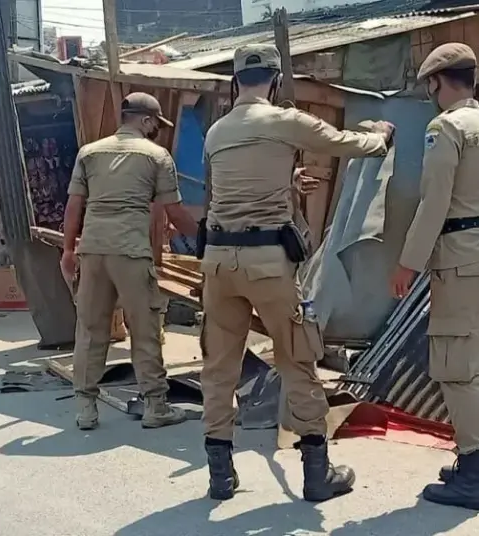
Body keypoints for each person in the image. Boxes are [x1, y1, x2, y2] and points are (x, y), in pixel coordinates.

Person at [200, 44, 394, 502]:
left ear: (236, 79)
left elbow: (231, 186)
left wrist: (286, 181)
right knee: (297, 362)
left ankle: (221, 476)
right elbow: (351, 144)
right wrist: (381, 135)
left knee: (219, 369)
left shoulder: (216, 132)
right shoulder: (285, 121)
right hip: (268, 263)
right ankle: (315, 474)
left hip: (219, 262)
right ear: (271, 79)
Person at [60, 92, 198, 430]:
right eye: (156, 124)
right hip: (131, 253)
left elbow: (74, 206)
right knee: (144, 328)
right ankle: (155, 407)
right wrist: (207, 239)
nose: (156, 130)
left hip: (92, 250)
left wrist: (67, 250)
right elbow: (175, 211)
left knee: (91, 329)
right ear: (146, 121)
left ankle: (86, 410)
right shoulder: (157, 156)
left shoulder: (89, 153)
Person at [390, 42, 479, 511]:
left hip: (461, 258)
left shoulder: (445, 128)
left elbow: (434, 201)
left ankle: (475, 470)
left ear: (438, 82)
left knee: (456, 366)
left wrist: (409, 261)